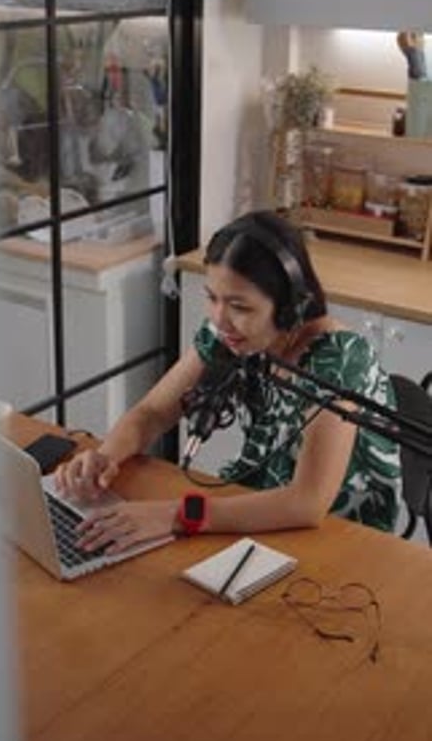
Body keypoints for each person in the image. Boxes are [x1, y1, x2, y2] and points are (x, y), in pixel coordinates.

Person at [56, 210, 402, 554]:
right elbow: (153, 413)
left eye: (240, 306)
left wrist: (177, 514)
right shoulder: (231, 335)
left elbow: (307, 503)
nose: (220, 320)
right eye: (212, 298)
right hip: (259, 510)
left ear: (288, 307)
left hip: (340, 538)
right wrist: (105, 456)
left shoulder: (340, 360)